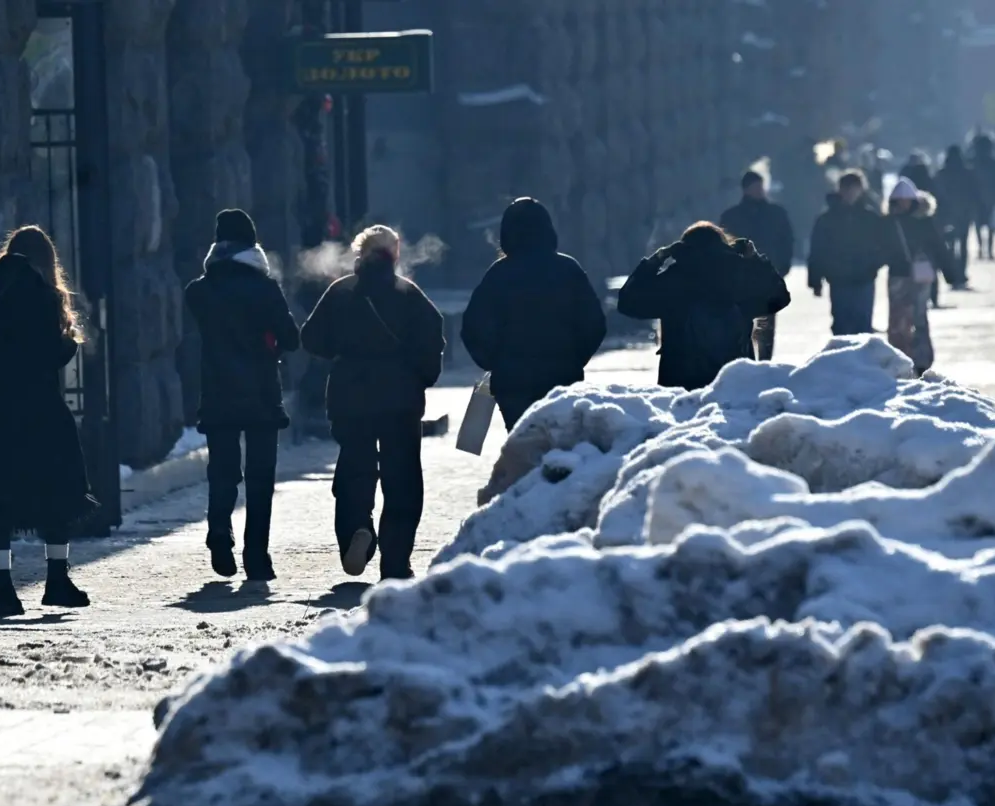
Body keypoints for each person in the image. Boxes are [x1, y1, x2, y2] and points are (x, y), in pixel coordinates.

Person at [0, 226, 95, 618]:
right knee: (58, 494)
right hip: (40, 413)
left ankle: (2, 591)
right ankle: (56, 580)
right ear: (44, 261)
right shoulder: (43, 296)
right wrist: (69, 342)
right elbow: (51, 354)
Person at [300, 225, 444, 581]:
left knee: (355, 467)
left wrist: (341, 351)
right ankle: (395, 562)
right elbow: (432, 343)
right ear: (394, 255)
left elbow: (312, 338)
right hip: (400, 399)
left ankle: (355, 531)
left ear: (359, 254)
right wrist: (420, 379)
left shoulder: (341, 291)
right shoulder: (408, 293)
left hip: (350, 397)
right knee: (402, 479)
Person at [185, 209, 300, 581]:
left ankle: (220, 532)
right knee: (260, 478)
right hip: (261, 395)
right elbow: (292, 338)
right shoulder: (265, 288)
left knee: (222, 472)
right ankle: (257, 557)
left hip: (218, 393)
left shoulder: (200, 290)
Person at [461, 198, 606, 431]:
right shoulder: (568, 270)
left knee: (522, 447)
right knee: (559, 448)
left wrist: (496, 363)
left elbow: (474, 328)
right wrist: (574, 359)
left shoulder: (499, 274)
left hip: (513, 382)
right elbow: (594, 324)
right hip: (562, 378)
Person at [617, 221, 790, 391]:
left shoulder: (672, 278)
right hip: (735, 379)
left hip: (681, 381)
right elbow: (779, 297)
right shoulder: (740, 273)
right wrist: (755, 259)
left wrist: (656, 259)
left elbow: (627, 302)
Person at [719, 171, 795, 361]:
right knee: (741, 323)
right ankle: (744, 361)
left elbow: (787, 241)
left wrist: (782, 266)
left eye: (761, 186)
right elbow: (723, 245)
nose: (759, 190)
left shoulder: (777, 214)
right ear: (746, 189)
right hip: (739, 278)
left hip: (767, 276)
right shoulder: (732, 216)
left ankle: (765, 362)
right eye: (755, 186)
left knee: (767, 323)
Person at [881, 178, 954, 376]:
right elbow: (878, 249)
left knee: (918, 316)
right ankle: (901, 357)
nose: (903, 203)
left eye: (906, 199)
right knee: (898, 318)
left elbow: (939, 247)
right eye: (900, 200)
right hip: (899, 275)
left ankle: (921, 360)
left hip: (919, 276)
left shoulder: (924, 222)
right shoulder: (889, 223)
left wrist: (951, 273)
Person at [807, 171, 884, 336]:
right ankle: (842, 360)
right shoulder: (827, 219)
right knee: (841, 324)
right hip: (838, 279)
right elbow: (817, 250)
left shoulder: (870, 217)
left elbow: (883, 245)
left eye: (854, 188)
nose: (850, 193)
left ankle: (861, 361)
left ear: (861, 190)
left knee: (863, 325)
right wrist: (815, 280)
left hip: (864, 278)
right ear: (839, 190)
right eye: (846, 188)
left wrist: (873, 265)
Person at [933, 145, 981, 289]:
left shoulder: (942, 174)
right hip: (964, 213)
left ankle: (952, 274)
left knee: (950, 245)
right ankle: (961, 273)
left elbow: (936, 194)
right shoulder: (968, 172)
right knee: (963, 244)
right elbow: (975, 193)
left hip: (946, 215)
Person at [971, 134, 995, 261]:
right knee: (991, 225)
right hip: (991, 197)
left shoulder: (971, 162)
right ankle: (990, 249)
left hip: (976, 198)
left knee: (978, 224)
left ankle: (981, 247)